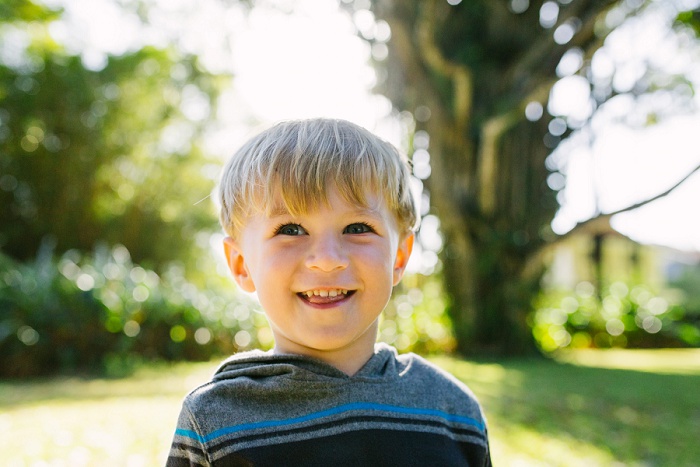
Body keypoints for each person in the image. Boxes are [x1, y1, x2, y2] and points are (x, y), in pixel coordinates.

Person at [167, 118, 492, 466]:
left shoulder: (454, 414)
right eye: (291, 229)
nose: (326, 260)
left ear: (399, 257)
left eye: (357, 228)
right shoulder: (213, 422)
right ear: (242, 264)